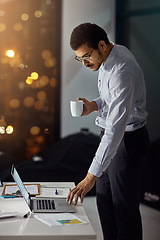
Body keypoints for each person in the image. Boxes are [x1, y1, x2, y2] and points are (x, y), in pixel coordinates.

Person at [67, 23, 150, 240]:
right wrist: (93, 105)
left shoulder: (123, 70)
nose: (84, 63)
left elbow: (115, 129)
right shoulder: (108, 55)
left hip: (128, 140)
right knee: (105, 202)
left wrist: (89, 176)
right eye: (79, 58)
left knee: (123, 209)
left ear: (101, 45)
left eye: (86, 56)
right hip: (113, 136)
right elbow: (112, 98)